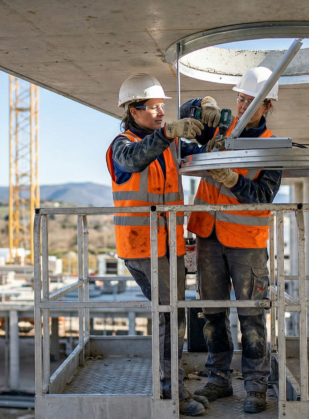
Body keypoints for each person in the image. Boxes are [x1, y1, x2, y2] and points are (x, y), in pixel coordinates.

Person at [107, 73, 214, 416]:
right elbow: (135, 159)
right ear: (132, 111)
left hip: (171, 247)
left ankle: (173, 386)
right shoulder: (120, 145)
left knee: (174, 316)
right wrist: (168, 133)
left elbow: (194, 133)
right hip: (142, 248)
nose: (159, 113)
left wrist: (202, 108)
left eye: (161, 107)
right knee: (169, 318)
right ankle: (172, 395)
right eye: (152, 107)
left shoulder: (168, 144)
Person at [181, 67, 283, 414]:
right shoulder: (220, 129)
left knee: (252, 317)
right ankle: (219, 379)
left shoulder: (271, 146)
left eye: (248, 100)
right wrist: (202, 104)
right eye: (238, 98)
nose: (240, 105)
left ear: (266, 105)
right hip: (208, 235)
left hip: (247, 243)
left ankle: (256, 387)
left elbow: (263, 194)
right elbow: (185, 117)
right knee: (212, 313)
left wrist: (232, 180)